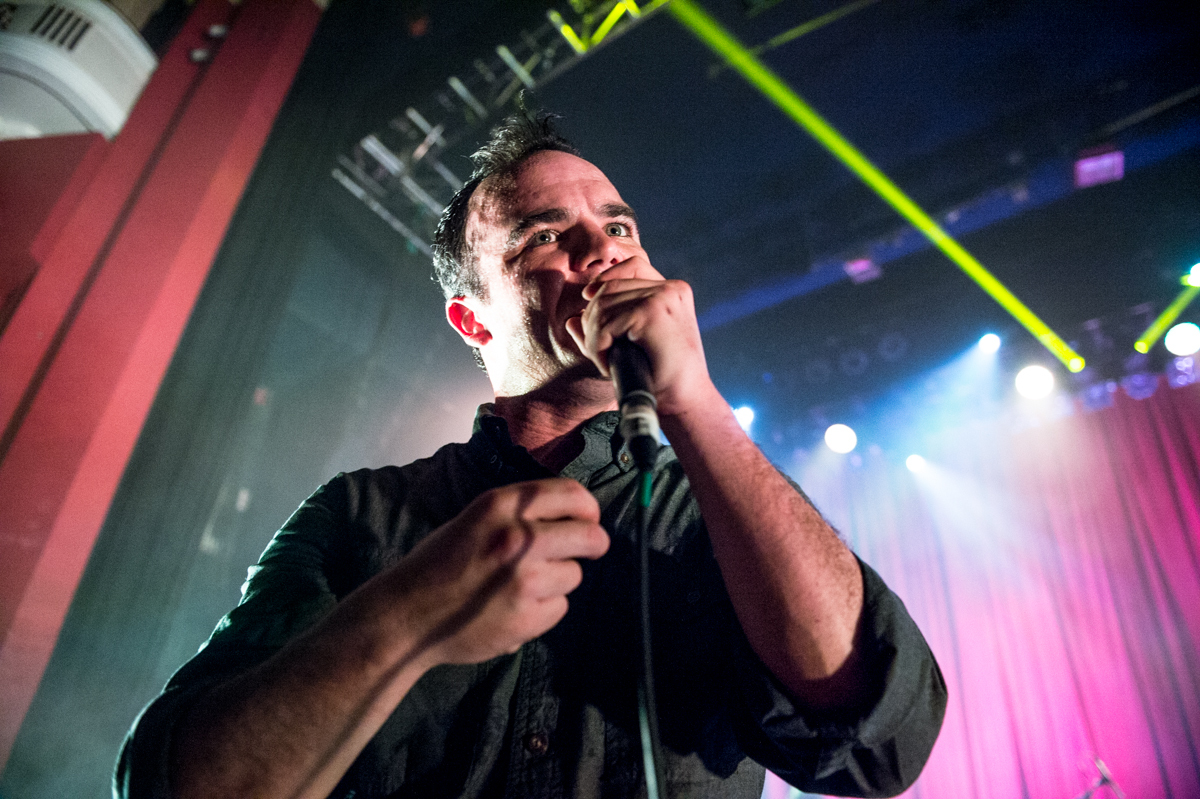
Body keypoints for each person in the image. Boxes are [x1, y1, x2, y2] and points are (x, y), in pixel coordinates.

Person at [116, 112, 946, 799]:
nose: (604, 249)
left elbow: (881, 743)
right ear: (473, 320)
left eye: (617, 224)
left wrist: (693, 398)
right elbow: (171, 786)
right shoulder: (362, 515)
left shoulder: (723, 509)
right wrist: (408, 617)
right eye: (547, 236)